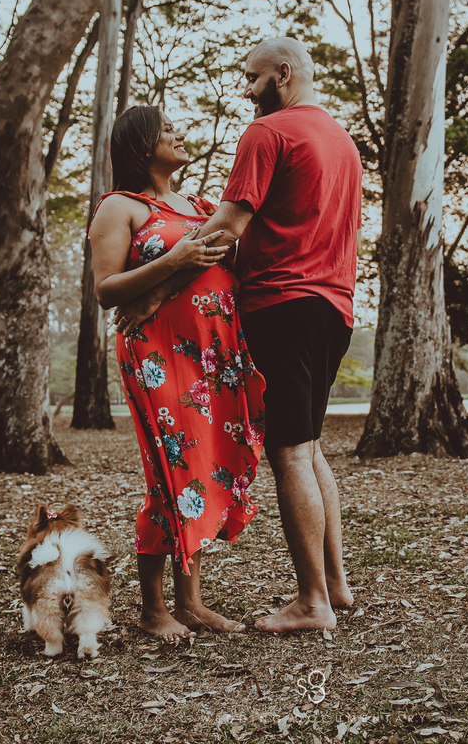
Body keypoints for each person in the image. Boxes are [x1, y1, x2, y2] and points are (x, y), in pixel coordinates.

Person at [114, 38, 363, 632]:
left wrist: (153, 292)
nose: (246, 91)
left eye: (252, 79)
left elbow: (226, 225)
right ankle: (335, 584)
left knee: (291, 455)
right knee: (310, 449)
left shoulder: (269, 132)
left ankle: (312, 603)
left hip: (283, 304)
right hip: (336, 307)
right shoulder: (340, 140)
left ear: (282, 74)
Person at [88, 105, 266, 640]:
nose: (179, 133)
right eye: (166, 129)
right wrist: (174, 261)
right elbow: (106, 290)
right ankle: (154, 609)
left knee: (200, 471)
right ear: (141, 145)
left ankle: (192, 603)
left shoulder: (201, 204)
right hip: (159, 354)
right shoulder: (119, 207)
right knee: (168, 473)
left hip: (216, 358)